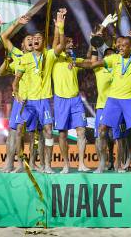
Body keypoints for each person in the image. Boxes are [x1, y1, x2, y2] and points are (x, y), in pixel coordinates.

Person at [88, 36, 131, 173]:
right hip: (113, 100)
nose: (121, 47)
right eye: (120, 45)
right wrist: (76, 64)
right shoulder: (114, 58)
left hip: (130, 100)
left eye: (124, 45)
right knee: (101, 130)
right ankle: (101, 164)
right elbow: (93, 64)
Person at [12, 8, 67, 173]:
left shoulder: (49, 55)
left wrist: (61, 27)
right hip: (28, 102)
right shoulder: (24, 59)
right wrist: (16, 93)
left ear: (43, 42)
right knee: (23, 132)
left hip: (44, 101)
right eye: (33, 38)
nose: (35, 40)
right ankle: (22, 163)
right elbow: (16, 81)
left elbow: (62, 44)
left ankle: (48, 165)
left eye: (38, 38)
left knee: (48, 132)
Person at [0, 15, 40, 173]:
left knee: (34, 134)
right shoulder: (17, 55)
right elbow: (4, 36)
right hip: (21, 101)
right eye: (27, 39)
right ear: (22, 45)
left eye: (32, 39)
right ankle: (14, 163)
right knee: (15, 132)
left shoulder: (39, 56)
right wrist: (17, 23)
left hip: (37, 100)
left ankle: (32, 163)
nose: (30, 40)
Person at [52, 35, 91, 173]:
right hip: (60, 100)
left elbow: (88, 61)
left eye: (72, 42)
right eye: (68, 42)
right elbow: (57, 44)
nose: (71, 44)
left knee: (82, 131)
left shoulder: (74, 59)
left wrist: (92, 43)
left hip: (75, 100)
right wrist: (60, 28)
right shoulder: (54, 58)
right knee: (62, 134)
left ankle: (81, 163)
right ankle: (66, 164)